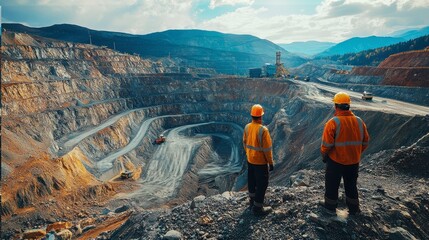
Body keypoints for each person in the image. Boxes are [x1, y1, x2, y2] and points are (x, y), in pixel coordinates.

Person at [321, 92, 370, 215]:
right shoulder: (359, 121)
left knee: (332, 184)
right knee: (351, 185)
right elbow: (365, 141)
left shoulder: (333, 122)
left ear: (336, 106)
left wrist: (324, 155)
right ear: (348, 106)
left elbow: (326, 144)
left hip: (336, 161)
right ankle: (354, 209)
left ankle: (330, 207)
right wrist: (356, 153)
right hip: (354, 161)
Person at [243, 104, 274, 216]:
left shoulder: (247, 127)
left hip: (250, 160)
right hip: (260, 162)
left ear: (252, 115)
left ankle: (252, 201)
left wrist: (249, 154)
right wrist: (270, 162)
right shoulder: (263, 130)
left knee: (251, 181)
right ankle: (258, 207)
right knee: (262, 184)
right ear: (260, 116)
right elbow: (267, 149)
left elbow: (244, 143)